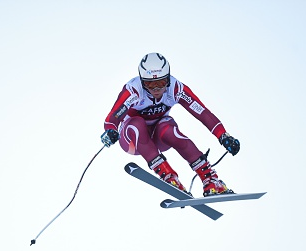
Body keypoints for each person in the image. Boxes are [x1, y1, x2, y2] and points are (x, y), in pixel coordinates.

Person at [102, 52, 240, 196]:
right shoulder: (134, 89)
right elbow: (112, 117)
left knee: (168, 127)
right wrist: (111, 130)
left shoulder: (175, 88)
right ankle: (169, 176)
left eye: (161, 83)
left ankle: (210, 179)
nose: (156, 89)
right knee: (137, 123)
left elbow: (202, 112)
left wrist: (223, 135)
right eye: (150, 84)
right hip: (132, 140)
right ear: (142, 82)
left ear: (167, 79)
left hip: (158, 138)